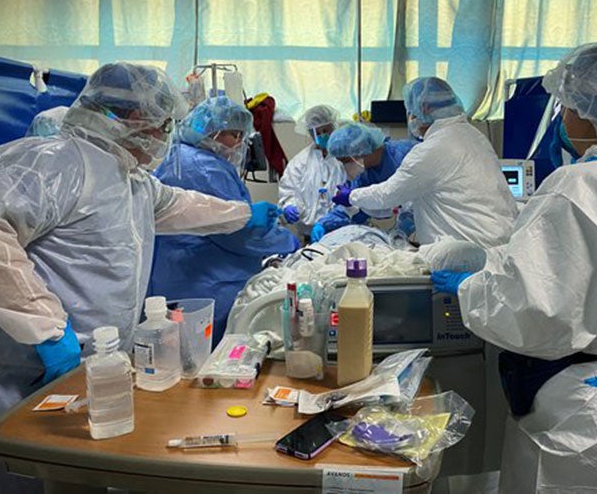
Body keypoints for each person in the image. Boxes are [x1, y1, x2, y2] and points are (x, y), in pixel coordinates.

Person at [0, 62, 279, 494]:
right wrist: (47, 331)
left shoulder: (133, 179)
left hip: (87, 366)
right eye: (162, 124)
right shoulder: (54, 161)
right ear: (129, 119)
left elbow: (183, 206)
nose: (166, 136)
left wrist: (243, 215)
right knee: (4, 472)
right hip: (13, 361)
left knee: (72, 471)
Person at [430, 43, 597, 493]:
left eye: (566, 106)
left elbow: (537, 313)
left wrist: (471, 287)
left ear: (587, 113)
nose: (561, 119)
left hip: (580, 409)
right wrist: (498, 260)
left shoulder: (582, 186)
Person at [148, 96, 299, 344]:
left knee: (180, 348)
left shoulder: (178, 157)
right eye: (232, 134)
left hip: (176, 274)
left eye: (242, 136)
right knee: (207, 351)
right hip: (205, 279)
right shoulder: (204, 168)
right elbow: (236, 233)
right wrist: (286, 241)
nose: (238, 143)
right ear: (209, 130)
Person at [332, 77, 517, 246]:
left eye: (411, 113)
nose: (411, 119)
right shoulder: (472, 135)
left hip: (472, 246)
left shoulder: (432, 149)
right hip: (496, 240)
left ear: (425, 109)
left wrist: (350, 196)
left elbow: (388, 195)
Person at [310, 122, 418, 242]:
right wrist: (324, 224)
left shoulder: (407, 156)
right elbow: (351, 207)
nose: (346, 167)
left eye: (346, 160)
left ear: (362, 150)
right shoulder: (364, 174)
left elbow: (396, 194)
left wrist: (406, 224)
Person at [277, 104, 347, 238]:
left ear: (334, 127)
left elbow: (356, 190)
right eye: (317, 133)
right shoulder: (300, 162)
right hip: (310, 234)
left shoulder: (346, 158)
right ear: (310, 134)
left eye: (326, 130)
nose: (322, 136)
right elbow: (289, 190)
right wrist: (289, 206)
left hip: (343, 232)